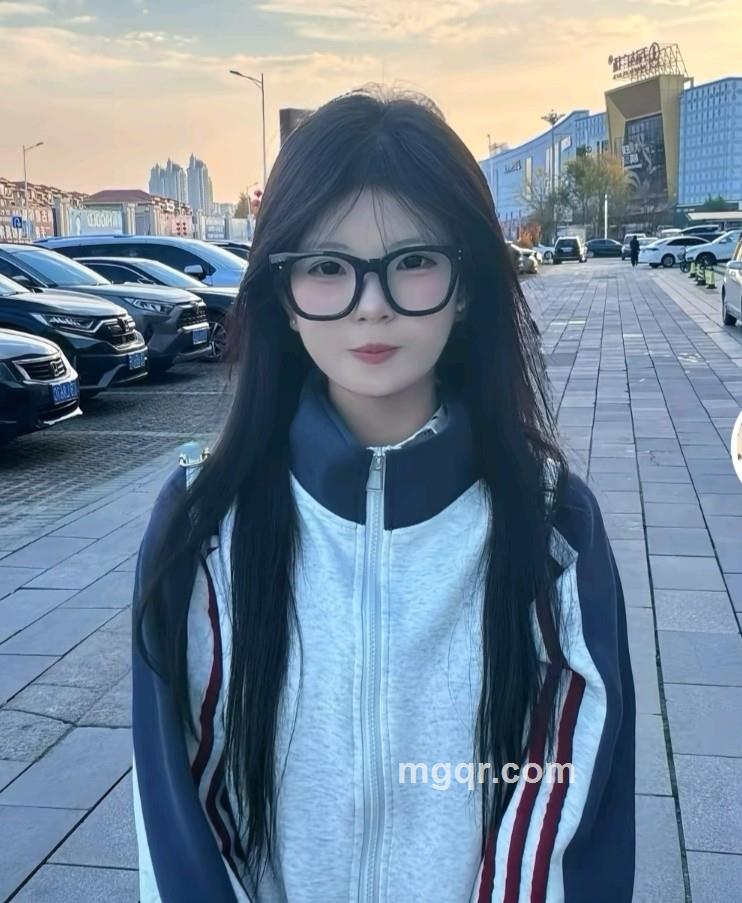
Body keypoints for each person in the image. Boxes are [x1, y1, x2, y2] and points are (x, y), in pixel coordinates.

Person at [131, 85, 635, 903]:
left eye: (413, 262)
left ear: (466, 284)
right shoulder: (203, 522)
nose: (371, 305)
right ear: (282, 294)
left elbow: (570, 803)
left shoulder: (553, 524)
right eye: (328, 268)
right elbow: (178, 815)